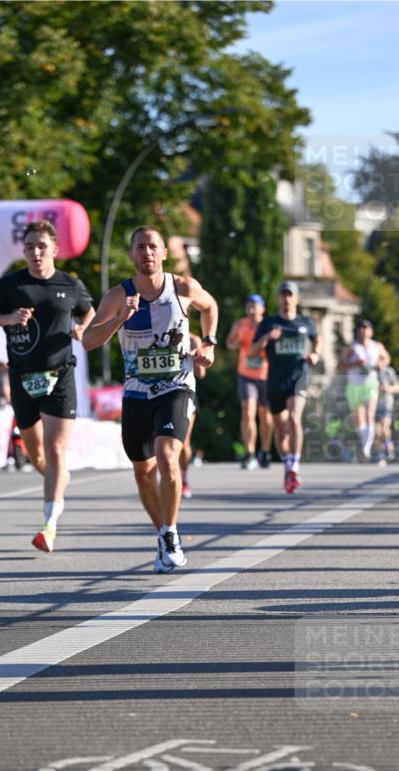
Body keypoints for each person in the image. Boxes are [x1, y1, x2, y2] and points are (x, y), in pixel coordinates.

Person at [83, 225, 217, 572]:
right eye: (140, 247)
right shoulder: (118, 295)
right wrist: (120, 319)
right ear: (131, 255)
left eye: (152, 247)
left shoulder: (183, 287)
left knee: (167, 455)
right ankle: (162, 532)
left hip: (176, 386)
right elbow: (88, 340)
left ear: (163, 253)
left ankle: (171, 533)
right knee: (143, 473)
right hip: (136, 393)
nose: (146, 253)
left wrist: (209, 343)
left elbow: (210, 306)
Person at [0, 220, 95, 551]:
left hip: (60, 374)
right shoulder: (10, 286)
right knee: (38, 454)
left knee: (56, 450)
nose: (36, 252)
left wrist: (83, 329)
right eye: (30, 247)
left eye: (42, 246)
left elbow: (90, 313)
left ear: (55, 249)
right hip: (22, 377)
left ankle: (49, 524)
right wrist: (7, 319)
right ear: (24, 251)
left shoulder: (70, 285)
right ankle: (57, 485)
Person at [249, 281, 320, 494]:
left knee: (294, 418)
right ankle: (287, 464)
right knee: (280, 430)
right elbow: (252, 351)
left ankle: (294, 465)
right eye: (283, 295)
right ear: (278, 299)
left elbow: (318, 339)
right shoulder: (269, 323)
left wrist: (316, 353)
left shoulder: (305, 322)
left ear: (297, 299)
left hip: (299, 377)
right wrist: (267, 338)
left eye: (291, 295)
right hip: (275, 381)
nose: (287, 299)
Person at [226, 294, 273, 469]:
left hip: (266, 375)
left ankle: (265, 450)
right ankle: (250, 452)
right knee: (248, 412)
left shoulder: (268, 325)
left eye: (255, 304)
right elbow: (229, 343)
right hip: (246, 374)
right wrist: (235, 344)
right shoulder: (240, 324)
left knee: (266, 416)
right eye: (249, 304)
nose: (251, 307)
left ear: (263, 308)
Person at [337, 319, 390, 461]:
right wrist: (354, 363)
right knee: (359, 417)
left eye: (366, 328)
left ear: (371, 331)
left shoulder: (376, 346)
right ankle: (364, 443)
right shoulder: (351, 348)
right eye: (361, 328)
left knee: (370, 414)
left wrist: (381, 364)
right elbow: (340, 365)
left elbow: (386, 358)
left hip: (370, 383)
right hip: (354, 385)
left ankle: (366, 447)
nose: (363, 331)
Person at [179, 332, 206, 499]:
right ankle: (169, 479)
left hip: (184, 393)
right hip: (157, 392)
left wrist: (196, 357)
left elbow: (201, 374)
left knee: (183, 442)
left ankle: (183, 478)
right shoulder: (154, 330)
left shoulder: (193, 339)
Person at [375, 361, 399, 464]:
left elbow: (398, 387)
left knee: (385, 427)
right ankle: (381, 455)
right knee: (377, 431)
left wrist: (388, 389)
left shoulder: (388, 371)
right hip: (373, 405)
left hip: (386, 403)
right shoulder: (370, 371)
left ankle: (389, 446)